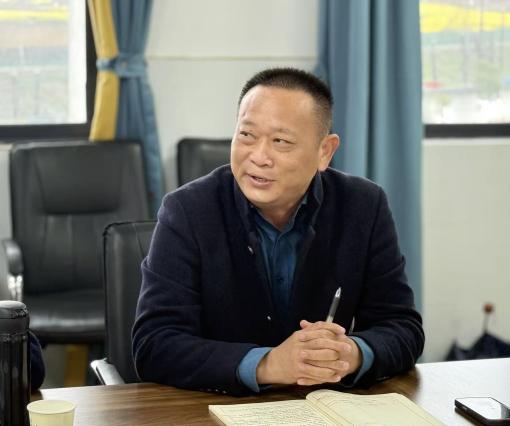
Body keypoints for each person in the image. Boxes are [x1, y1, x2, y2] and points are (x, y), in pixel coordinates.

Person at [132, 67, 424, 396]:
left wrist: (351, 354)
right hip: (216, 405)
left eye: (280, 141)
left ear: (324, 152)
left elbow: (402, 328)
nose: (258, 157)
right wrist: (268, 364)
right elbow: (154, 344)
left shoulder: (363, 206)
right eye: (246, 135)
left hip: (322, 406)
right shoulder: (187, 211)